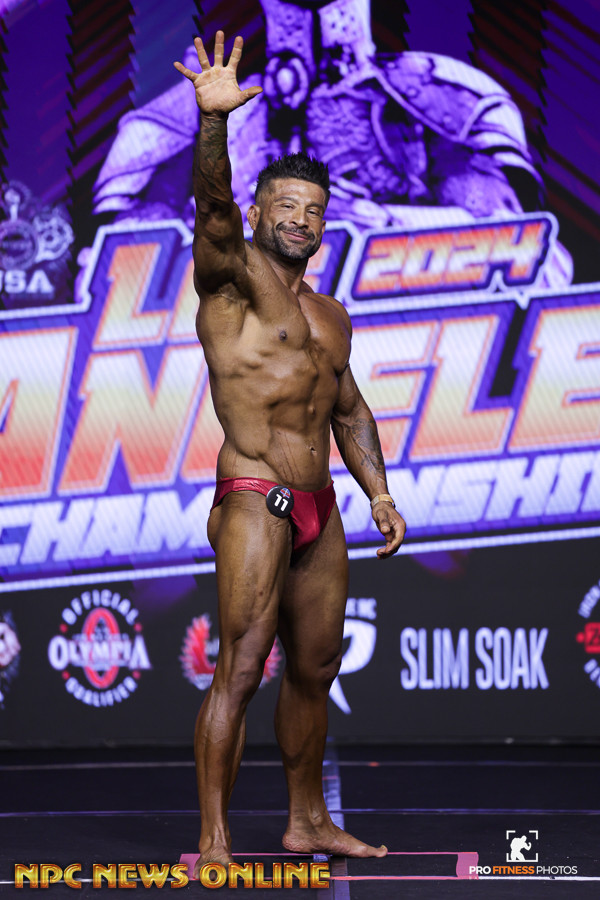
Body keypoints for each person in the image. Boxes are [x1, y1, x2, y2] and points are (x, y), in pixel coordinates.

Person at [174, 30, 407, 868]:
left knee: (316, 666)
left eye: (313, 210)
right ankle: (214, 839)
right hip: (255, 496)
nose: (301, 220)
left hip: (322, 509)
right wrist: (214, 124)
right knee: (242, 668)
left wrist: (379, 492)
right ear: (260, 211)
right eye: (287, 206)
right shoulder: (230, 281)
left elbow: (348, 408)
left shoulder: (329, 315)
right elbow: (211, 210)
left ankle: (307, 821)